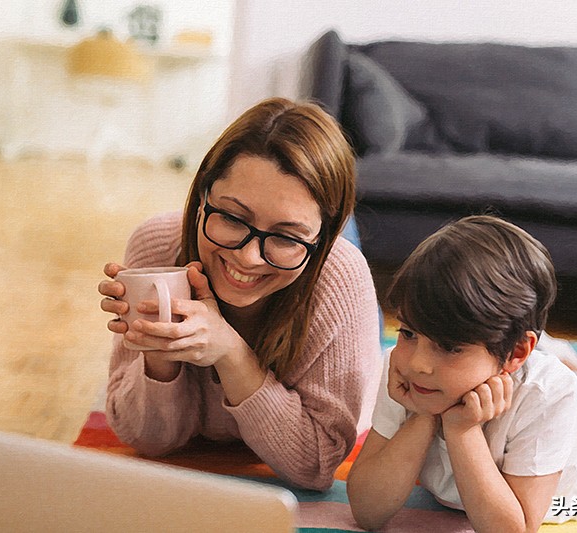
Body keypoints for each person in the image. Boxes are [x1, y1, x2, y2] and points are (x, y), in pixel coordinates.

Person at [346, 215, 577, 532]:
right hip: (517, 374)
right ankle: (552, 352)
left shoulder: (548, 393)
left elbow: (514, 528)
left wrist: (462, 430)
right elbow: (367, 511)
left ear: (516, 353)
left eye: (449, 346)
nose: (417, 363)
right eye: (409, 332)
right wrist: (424, 417)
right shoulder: (411, 372)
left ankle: (560, 360)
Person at [98, 97, 381, 491]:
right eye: (232, 217)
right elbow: (145, 440)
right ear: (201, 198)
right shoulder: (158, 248)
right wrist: (160, 354)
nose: (247, 258)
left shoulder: (339, 279)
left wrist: (230, 351)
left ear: (322, 239)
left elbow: (316, 465)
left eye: (285, 235)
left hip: (321, 283)